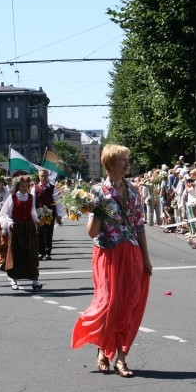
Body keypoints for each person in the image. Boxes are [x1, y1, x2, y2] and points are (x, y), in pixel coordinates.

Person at [71, 144, 152, 378]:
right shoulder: (96, 192)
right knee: (108, 304)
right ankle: (102, 350)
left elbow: (138, 225)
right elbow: (92, 232)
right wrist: (96, 212)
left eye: (128, 159)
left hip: (132, 253)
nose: (127, 164)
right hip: (107, 254)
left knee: (127, 305)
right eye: (123, 160)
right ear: (109, 164)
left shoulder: (134, 190)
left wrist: (146, 258)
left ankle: (121, 358)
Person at [0, 175, 42, 291]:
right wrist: (8, 222)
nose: (24, 188)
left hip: (29, 228)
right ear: (18, 186)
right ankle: (14, 279)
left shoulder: (31, 197)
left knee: (31, 252)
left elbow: (33, 212)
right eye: (22, 186)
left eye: (26, 186)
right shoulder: (12, 197)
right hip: (17, 228)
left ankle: (35, 279)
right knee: (16, 253)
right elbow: (4, 214)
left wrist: (37, 220)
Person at [32, 169, 63, 261]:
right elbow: (32, 202)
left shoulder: (53, 188)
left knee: (49, 233)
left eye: (45, 175)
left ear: (48, 176)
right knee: (40, 233)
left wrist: (59, 214)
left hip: (50, 213)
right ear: (39, 176)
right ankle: (41, 252)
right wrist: (33, 215)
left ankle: (48, 252)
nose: (43, 177)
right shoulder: (35, 188)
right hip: (39, 214)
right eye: (41, 175)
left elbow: (58, 202)